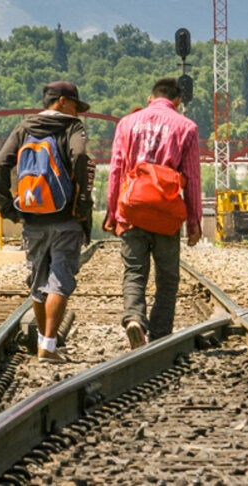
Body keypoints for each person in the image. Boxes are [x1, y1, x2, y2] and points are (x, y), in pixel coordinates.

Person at [0, 81, 95, 363]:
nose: (78, 111)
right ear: (62, 101)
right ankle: (48, 346)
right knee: (60, 279)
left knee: (38, 282)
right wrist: (83, 199)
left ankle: (42, 340)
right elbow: (81, 156)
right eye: (75, 104)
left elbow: (2, 164)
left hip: (32, 217)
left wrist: (6, 206)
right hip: (65, 217)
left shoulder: (24, 127)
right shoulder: (72, 127)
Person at [103, 78, 203, 349]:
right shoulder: (187, 127)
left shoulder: (126, 123)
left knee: (134, 271)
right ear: (178, 101)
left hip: (132, 209)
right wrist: (194, 221)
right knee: (167, 277)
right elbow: (192, 177)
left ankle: (134, 318)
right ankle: (160, 337)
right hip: (166, 214)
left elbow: (116, 170)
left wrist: (112, 212)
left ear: (150, 98)